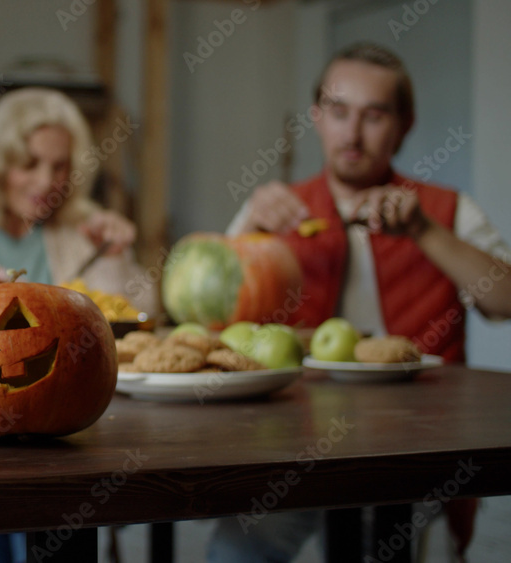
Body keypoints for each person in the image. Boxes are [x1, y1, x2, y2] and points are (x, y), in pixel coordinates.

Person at [210, 42, 511, 562]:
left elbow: (504, 302)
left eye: (373, 116)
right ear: (317, 117)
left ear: (404, 124)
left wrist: (423, 232)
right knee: (237, 549)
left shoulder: (447, 211)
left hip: (417, 450)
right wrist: (247, 234)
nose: (352, 134)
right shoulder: (274, 209)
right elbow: (210, 318)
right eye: (339, 112)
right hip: (292, 446)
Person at [0, 87, 157, 563]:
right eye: (30, 163)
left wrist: (117, 258)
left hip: (62, 413)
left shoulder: (84, 227)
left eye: (60, 166)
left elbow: (129, 312)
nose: (47, 180)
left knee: (58, 499)